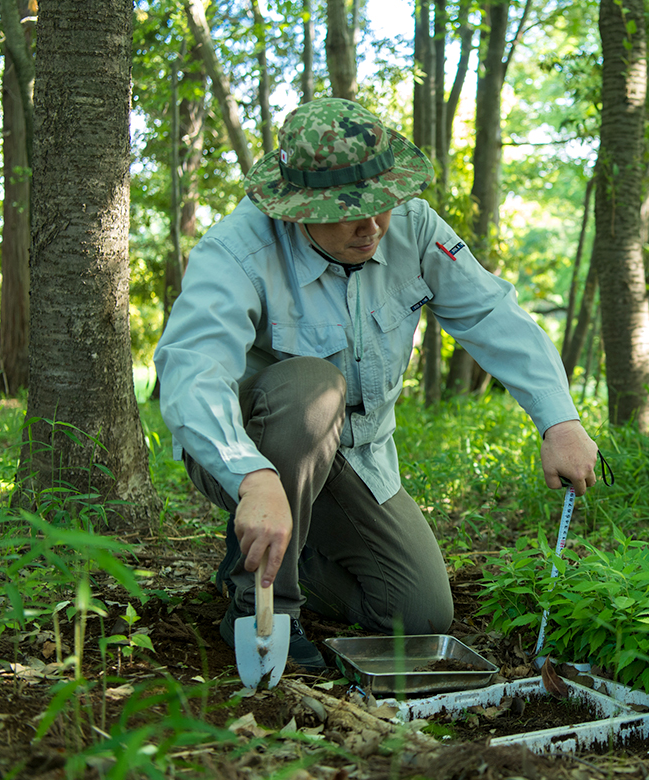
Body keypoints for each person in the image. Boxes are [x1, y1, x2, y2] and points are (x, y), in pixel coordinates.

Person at [154, 98, 600, 670]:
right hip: (253, 448)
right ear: (298, 209)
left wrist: (559, 418)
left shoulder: (413, 228)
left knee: (417, 613)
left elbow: (491, 314)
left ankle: (276, 552)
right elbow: (193, 371)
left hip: (356, 456)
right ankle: (263, 605)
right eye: (348, 210)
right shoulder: (239, 250)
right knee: (314, 388)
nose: (372, 226)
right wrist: (252, 476)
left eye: (381, 203)